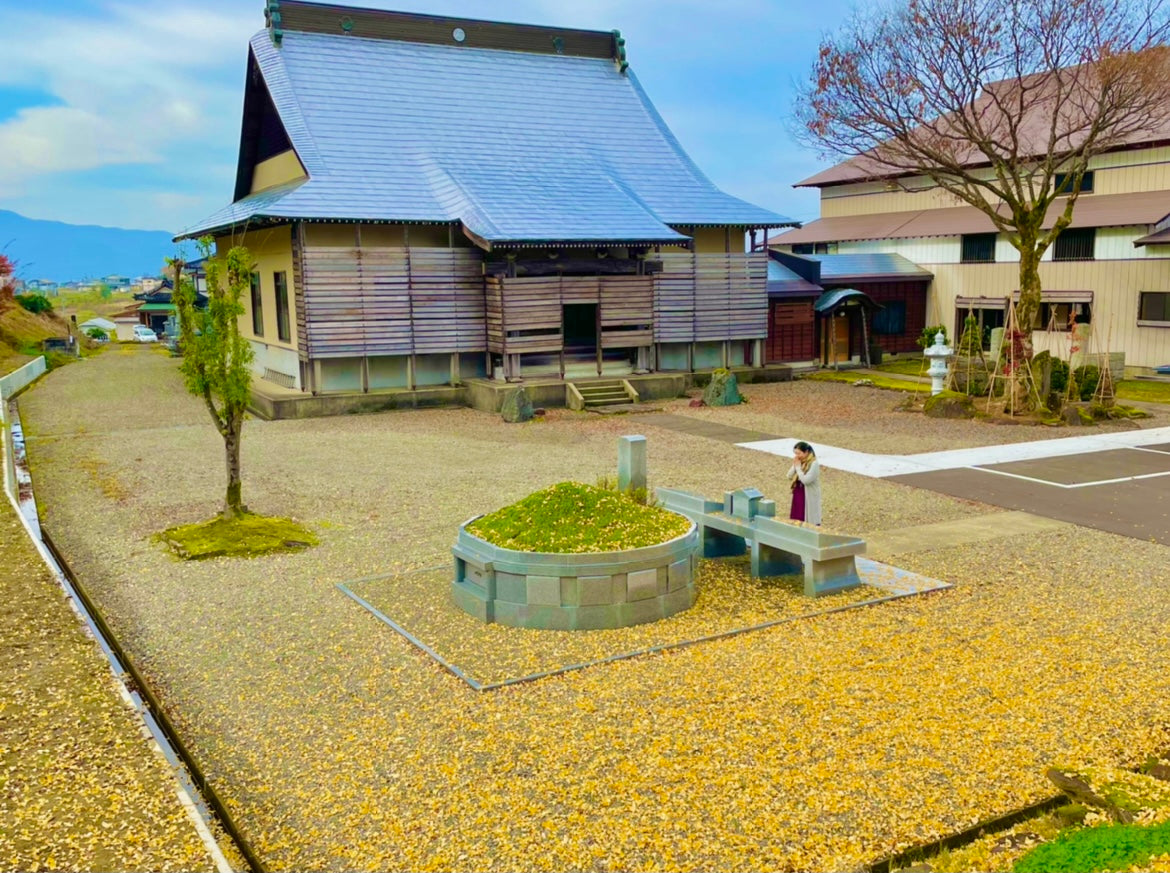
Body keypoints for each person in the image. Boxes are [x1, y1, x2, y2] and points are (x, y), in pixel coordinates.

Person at [787, 441, 822, 525]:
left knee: (808, 515)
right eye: (795, 453)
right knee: (797, 514)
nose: (797, 456)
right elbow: (789, 475)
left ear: (806, 452)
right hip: (799, 491)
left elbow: (806, 480)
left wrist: (798, 468)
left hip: (808, 492)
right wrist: (795, 465)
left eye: (799, 453)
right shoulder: (801, 462)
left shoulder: (814, 464)